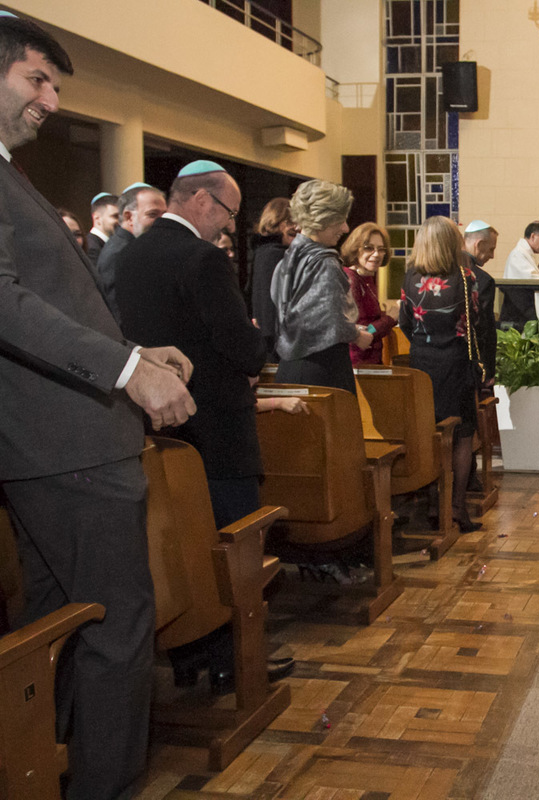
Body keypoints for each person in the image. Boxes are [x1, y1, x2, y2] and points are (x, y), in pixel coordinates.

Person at [0, 15, 195, 797]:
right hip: (69, 447)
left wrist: (136, 354)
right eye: (36, 79)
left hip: (63, 442)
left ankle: (54, 774)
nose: (50, 99)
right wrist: (124, 372)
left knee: (61, 633)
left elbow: (53, 305)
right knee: (117, 635)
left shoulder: (13, 174)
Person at [111, 160, 293, 694]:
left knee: (180, 546)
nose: (229, 228)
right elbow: (239, 348)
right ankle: (237, 660)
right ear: (202, 202)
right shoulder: (202, 259)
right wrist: (256, 340)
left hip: (160, 429)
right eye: (229, 215)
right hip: (217, 428)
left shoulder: (132, 254)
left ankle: (191, 653)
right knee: (233, 546)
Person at [398, 216, 483, 533]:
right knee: (462, 436)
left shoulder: (410, 277)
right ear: (452, 244)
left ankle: (434, 504)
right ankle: (456, 508)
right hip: (455, 363)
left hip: (421, 361)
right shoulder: (464, 277)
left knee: (430, 433)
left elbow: (404, 322)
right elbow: (472, 321)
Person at [271, 179, 369, 394]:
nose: (345, 228)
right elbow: (331, 322)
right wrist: (356, 335)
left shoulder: (287, 258)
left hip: (288, 366)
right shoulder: (324, 262)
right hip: (322, 369)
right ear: (323, 219)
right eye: (340, 220)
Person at [96, 181, 166, 318]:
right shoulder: (119, 253)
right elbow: (116, 312)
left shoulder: (135, 247)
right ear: (129, 217)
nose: (162, 221)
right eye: (153, 214)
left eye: (164, 215)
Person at [342, 222, 398, 366]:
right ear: (355, 249)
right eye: (369, 248)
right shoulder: (351, 279)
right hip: (357, 365)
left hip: (371, 362)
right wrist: (391, 318)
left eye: (381, 249)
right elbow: (366, 331)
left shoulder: (366, 278)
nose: (376, 254)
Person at [249, 196, 297, 359]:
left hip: (271, 342)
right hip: (277, 346)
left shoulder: (264, 252)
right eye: (292, 222)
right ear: (279, 223)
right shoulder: (275, 255)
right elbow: (271, 305)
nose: (297, 228)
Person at [463, 220, 499, 383]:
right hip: (471, 366)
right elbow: (484, 329)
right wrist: (489, 371)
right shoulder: (482, 280)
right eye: (491, 249)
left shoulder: (440, 273)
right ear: (479, 244)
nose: (492, 255)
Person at [500, 220, 539, 330]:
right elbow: (533, 280)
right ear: (533, 236)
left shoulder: (524, 254)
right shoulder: (517, 255)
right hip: (518, 315)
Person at [86, 190, 118, 261]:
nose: (119, 221)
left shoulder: (110, 244)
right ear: (97, 218)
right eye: (115, 216)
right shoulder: (91, 249)